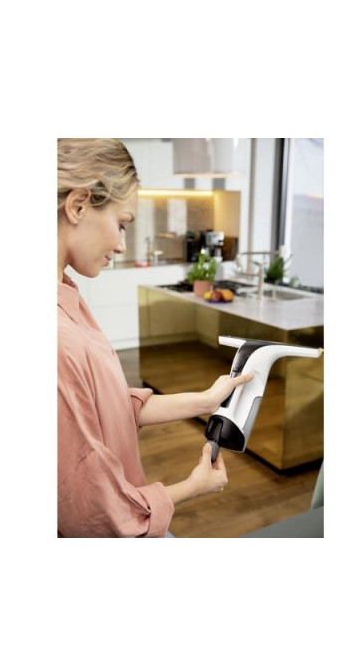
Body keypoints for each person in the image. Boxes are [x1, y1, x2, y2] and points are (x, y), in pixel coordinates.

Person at [57, 138, 253, 538]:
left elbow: (108, 407)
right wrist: (194, 486)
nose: (121, 245)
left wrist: (206, 400)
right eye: (122, 223)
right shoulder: (55, 338)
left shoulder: (67, 297)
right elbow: (93, 513)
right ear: (77, 205)